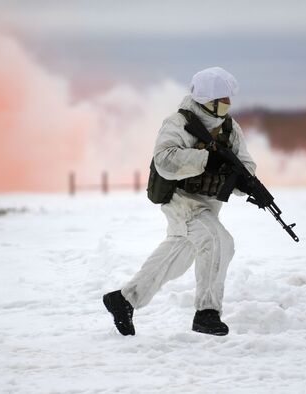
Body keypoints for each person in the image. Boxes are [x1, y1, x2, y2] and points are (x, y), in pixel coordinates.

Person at [103, 67, 256, 336]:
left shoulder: (230, 128)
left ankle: (125, 299)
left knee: (177, 257)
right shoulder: (178, 123)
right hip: (181, 201)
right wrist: (206, 160)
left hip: (208, 204)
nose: (229, 105)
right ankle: (207, 313)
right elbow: (164, 160)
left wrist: (245, 182)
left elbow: (246, 164)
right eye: (224, 100)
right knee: (219, 241)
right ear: (209, 101)